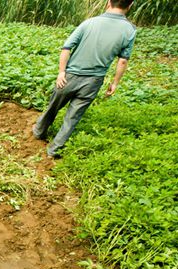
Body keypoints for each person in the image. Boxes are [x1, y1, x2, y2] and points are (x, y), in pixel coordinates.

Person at [32, 0, 136, 158]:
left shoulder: (89, 23)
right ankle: (54, 150)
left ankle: (39, 131)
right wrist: (114, 83)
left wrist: (61, 72)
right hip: (93, 81)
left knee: (54, 106)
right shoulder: (129, 30)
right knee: (73, 117)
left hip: (69, 77)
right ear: (130, 5)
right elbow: (122, 60)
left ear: (109, 2)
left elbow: (67, 48)